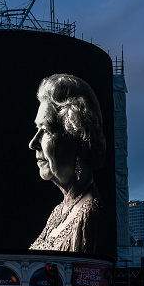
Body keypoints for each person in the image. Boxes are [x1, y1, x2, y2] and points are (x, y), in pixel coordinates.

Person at [28, 74, 107, 254]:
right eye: (36, 129)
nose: (33, 143)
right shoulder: (59, 211)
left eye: (46, 130)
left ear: (76, 137)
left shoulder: (89, 214)